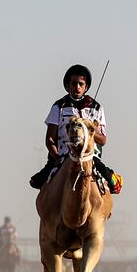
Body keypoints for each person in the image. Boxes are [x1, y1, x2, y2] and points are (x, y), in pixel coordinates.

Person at [29, 64, 123, 193]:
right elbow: (50, 138)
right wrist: (56, 157)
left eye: (81, 84)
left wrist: (88, 131)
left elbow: (103, 140)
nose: (77, 87)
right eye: (74, 84)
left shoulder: (96, 108)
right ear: (68, 86)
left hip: (89, 157)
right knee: (37, 181)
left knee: (111, 182)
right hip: (63, 155)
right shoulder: (58, 107)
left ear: (86, 87)